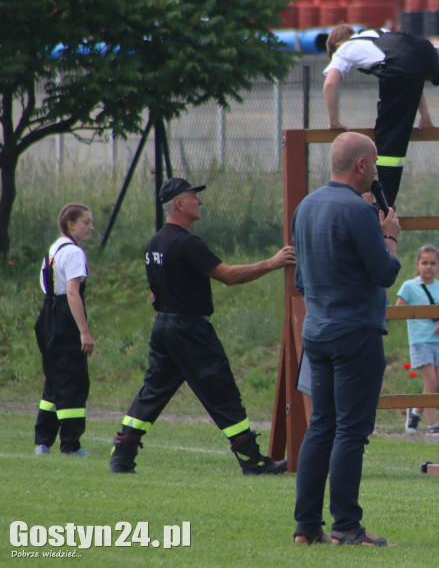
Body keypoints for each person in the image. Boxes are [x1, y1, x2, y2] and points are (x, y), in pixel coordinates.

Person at [109, 179, 295, 475]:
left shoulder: (155, 242)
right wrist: (272, 263)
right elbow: (229, 276)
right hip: (190, 330)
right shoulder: (187, 243)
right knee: (221, 390)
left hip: (163, 327)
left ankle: (122, 454)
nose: (201, 201)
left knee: (153, 391)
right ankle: (251, 460)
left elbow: (155, 291)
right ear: (179, 204)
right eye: (194, 196)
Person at [291, 132, 402, 546]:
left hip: (316, 332)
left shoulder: (305, 207)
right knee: (351, 432)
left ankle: (306, 527)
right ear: (360, 166)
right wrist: (389, 233)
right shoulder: (358, 211)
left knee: (321, 426)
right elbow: (385, 273)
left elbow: (301, 280)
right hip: (355, 333)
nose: (375, 173)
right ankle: (346, 526)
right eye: (373, 165)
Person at [322, 24, 439, 205]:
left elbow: (330, 83)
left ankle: (383, 206)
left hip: (398, 67)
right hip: (420, 49)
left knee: (389, 139)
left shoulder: (344, 49)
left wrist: (334, 121)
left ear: (337, 46)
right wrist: (424, 114)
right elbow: (410, 73)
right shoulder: (376, 34)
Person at [33, 203, 96, 456]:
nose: (91, 227)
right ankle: (71, 444)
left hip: (47, 315)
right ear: (71, 224)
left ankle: (43, 442)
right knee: (73, 380)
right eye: (86, 222)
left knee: (54, 381)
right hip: (63, 317)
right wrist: (84, 331)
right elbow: (72, 293)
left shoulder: (55, 248)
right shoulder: (74, 253)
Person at [396, 244, 439, 438]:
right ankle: (432, 426)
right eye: (424, 262)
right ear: (417, 264)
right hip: (420, 340)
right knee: (430, 382)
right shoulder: (409, 286)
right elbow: (397, 310)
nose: (428, 266)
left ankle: (416, 411)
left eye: (433, 263)